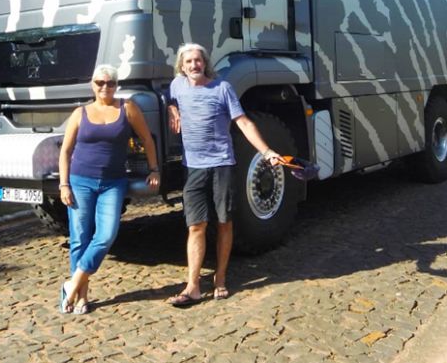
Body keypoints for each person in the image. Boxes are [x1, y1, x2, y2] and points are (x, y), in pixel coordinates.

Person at [167, 43, 281, 307]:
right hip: (193, 167)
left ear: (205, 63)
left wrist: (266, 151)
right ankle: (193, 286)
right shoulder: (177, 86)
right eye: (188, 62)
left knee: (223, 222)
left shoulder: (222, 89)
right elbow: (169, 99)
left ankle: (220, 277)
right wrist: (172, 110)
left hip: (221, 165)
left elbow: (242, 122)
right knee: (196, 225)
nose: (193, 65)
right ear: (181, 67)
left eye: (197, 61)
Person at [58, 64, 159, 314]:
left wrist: (154, 169)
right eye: (100, 83)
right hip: (80, 181)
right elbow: (66, 151)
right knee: (79, 238)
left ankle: (71, 284)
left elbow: (147, 139)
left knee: (105, 236)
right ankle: (80, 297)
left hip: (113, 183)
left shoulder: (128, 108)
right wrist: (64, 184)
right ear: (92, 85)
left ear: (116, 85)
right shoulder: (80, 113)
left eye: (110, 83)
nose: (105, 87)